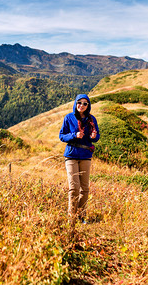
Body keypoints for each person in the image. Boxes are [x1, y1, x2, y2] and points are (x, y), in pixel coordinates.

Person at [59, 94, 100, 225]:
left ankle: (82, 217)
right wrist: (74, 135)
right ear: (76, 103)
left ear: (88, 106)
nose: (81, 105)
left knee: (84, 189)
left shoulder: (91, 119)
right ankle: (71, 217)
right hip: (71, 155)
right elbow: (61, 136)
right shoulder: (69, 118)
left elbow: (96, 136)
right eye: (79, 103)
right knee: (74, 187)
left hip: (85, 155)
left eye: (85, 103)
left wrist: (94, 136)